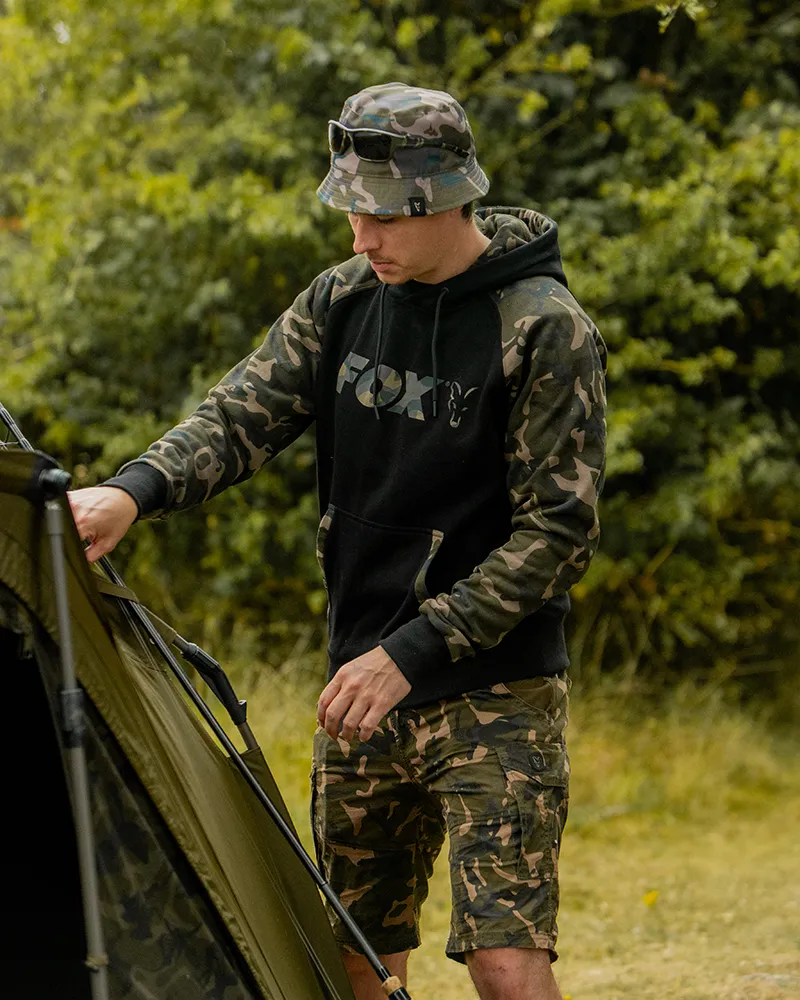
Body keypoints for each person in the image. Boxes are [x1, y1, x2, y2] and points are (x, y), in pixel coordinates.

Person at [69, 82, 607, 1000]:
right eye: (352, 213)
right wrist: (132, 492)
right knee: (356, 959)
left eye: (383, 217)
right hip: (358, 686)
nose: (362, 239)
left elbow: (557, 533)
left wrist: (413, 652)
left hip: (495, 690)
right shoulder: (342, 300)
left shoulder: (542, 328)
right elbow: (237, 416)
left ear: (448, 200)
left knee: (506, 960)